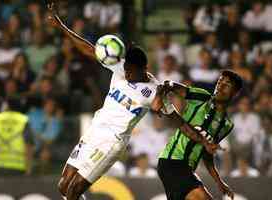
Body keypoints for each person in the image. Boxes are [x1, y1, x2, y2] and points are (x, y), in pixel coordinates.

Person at [47, 3, 221, 200]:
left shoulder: (154, 91)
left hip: (111, 143)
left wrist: (203, 140)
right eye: (126, 69)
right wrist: (61, 26)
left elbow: (179, 122)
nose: (126, 73)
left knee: (74, 190)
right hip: (94, 131)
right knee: (64, 186)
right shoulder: (120, 66)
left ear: (143, 68)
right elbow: (89, 50)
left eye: (130, 71)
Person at [157, 70, 243, 200]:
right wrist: (164, 90)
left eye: (227, 84)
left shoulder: (226, 125)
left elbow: (207, 153)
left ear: (235, 93)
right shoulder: (201, 97)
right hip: (172, 161)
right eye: (219, 82)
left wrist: (219, 181)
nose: (220, 86)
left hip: (187, 169)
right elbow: (171, 86)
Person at [0, 98, 34, 177]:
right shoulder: (23, 120)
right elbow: (28, 145)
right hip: (17, 166)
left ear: (7, 105)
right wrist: (28, 169)